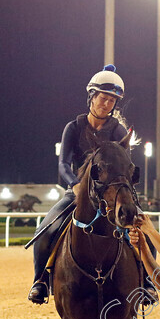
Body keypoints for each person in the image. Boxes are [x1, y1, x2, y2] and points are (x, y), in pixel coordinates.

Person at [26, 65, 129, 304]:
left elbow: (124, 166)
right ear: (92, 97)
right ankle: (40, 281)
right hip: (76, 194)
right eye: (103, 98)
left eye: (112, 101)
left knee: (139, 228)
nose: (107, 104)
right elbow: (63, 164)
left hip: (110, 195)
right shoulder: (73, 128)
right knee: (44, 231)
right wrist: (75, 185)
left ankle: (145, 282)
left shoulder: (119, 131)